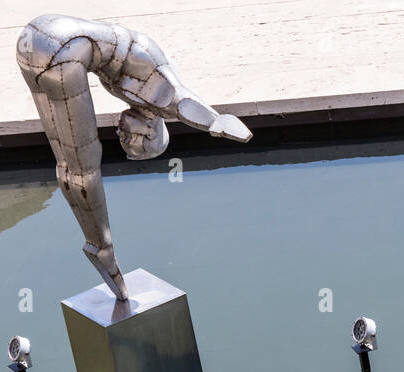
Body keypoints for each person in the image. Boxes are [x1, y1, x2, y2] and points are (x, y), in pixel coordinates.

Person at [17, 15, 251, 299]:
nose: (123, 134)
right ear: (151, 133)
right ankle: (101, 247)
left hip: (35, 41)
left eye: (125, 140)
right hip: (63, 48)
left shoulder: (142, 96)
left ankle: (98, 245)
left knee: (66, 164)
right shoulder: (163, 98)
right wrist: (218, 123)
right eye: (133, 141)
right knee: (84, 169)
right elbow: (187, 104)